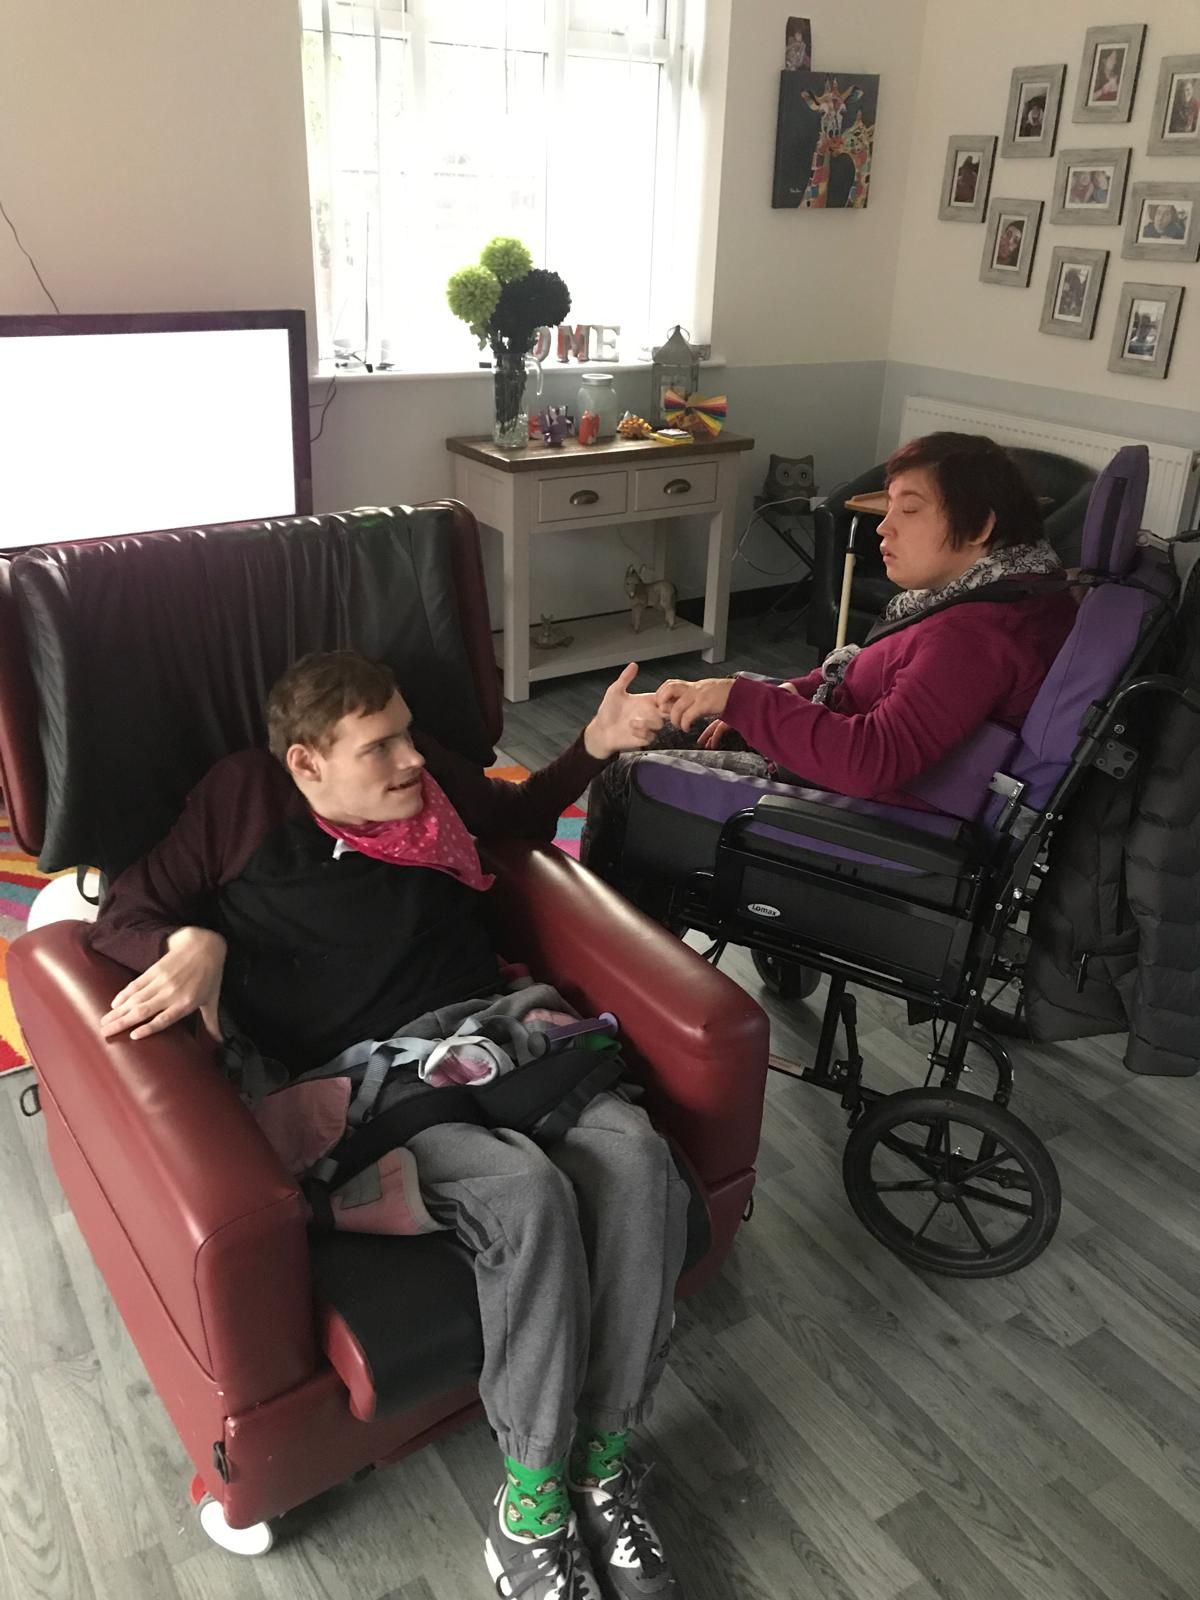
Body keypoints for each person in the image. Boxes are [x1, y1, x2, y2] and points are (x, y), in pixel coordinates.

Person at [90, 651, 690, 1600]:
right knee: (522, 1192)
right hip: (371, 1080)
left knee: (637, 1157)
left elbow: (520, 816)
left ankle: (602, 1456)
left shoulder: (431, 782)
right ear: (306, 764)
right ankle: (530, 1499)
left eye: (410, 730)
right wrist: (192, 939)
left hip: (500, 1034)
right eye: (381, 745)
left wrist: (593, 746)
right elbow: (121, 914)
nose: (414, 758)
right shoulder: (242, 800)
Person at [581, 433, 1079, 891]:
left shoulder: (977, 636)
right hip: (849, 759)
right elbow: (877, 677)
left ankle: (605, 953)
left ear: (980, 526)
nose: (884, 527)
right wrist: (790, 691)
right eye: (888, 507)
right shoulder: (992, 594)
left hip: (871, 810)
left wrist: (738, 697)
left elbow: (871, 760)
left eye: (909, 510)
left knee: (624, 777)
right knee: (657, 725)